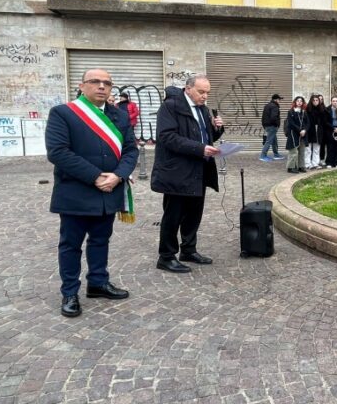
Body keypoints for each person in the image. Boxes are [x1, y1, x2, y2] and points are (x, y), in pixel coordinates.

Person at [45, 68, 139, 318]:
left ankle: (97, 282)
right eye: (95, 82)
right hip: (76, 191)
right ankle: (70, 292)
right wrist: (96, 176)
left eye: (107, 83)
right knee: (70, 245)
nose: (101, 86)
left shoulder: (119, 116)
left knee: (100, 240)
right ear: (82, 85)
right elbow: (58, 152)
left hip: (109, 189)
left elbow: (131, 150)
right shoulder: (63, 113)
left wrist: (118, 175)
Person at [151, 74, 225, 273]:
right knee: (173, 215)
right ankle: (166, 256)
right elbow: (167, 137)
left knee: (194, 213)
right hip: (177, 171)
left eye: (207, 93)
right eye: (201, 92)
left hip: (199, 170)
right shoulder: (170, 107)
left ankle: (188, 250)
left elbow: (206, 136)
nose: (204, 96)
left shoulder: (203, 109)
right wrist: (200, 148)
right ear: (188, 88)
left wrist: (218, 129)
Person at [286, 96, 309, 173]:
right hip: (294, 134)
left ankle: (301, 166)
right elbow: (291, 123)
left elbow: (307, 123)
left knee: (302, 151)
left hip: (303, 134)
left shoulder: (304, 112)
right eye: (298, 101)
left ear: (303, 103)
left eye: (301, 101)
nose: (299, 102)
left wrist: (305, 130)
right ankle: (291, 167)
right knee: (294, 151)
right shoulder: (291, 112)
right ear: (295, 102)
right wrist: (300, 130)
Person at [259, 94, 284, 162]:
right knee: (269, 141)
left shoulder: (267, 105)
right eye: (279, 99)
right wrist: (277, 125)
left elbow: (263, 117)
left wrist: (265, 125)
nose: (280, 101)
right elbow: (273, 117)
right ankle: (263, 156)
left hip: (267, 126)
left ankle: (276, 155)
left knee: (274, 141)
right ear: (275, 99)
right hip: (272, 126)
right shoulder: (274, 106)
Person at [304, 94, 325, 170]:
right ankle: (307, 163)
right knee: (308, 148)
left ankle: (315, 163)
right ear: (311, 101)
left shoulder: (322, 109)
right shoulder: (307, 110)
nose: (315, 102)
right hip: (310, 130)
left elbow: (324, 121)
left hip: (318, 130)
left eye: (317, 100)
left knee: (317, 148)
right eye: (314, 100)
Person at [324, 97, 337, 168]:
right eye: (333, 101)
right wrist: (333, 128)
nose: (335, 102)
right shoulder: (327, 109)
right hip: (330, 130)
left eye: (336, 101)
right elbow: (325, 121)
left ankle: (336, 162)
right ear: (331, 102)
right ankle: (329, 162)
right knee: (330, 147)